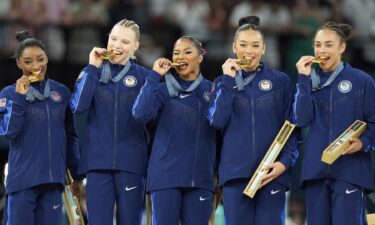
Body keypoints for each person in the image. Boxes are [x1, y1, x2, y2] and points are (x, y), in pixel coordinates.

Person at [207, 16, 298, 225]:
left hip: (271, 174)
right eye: (243, 45)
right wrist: (228, 81)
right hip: (234, 175)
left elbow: (292, 128)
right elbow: (216, 121)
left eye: (255, 45)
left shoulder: (280, 81)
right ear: (233, 47)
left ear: (264, 48)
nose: (249, 51)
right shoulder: (221, 83)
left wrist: (284, 163)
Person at [293, 21, 375, 225]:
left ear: (342, 47)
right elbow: (302, 120)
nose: (322, 50)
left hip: (350, 169)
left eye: (328, 45)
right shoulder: (308, 81)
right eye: (318, 45)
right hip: (315, 170)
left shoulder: (361, 80)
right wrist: (303, 79)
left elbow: (373, 122)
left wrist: (363, 142)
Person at [70, 19, 150, 225]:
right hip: (98, 164)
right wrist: (91, 68)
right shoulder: (91, 73)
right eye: (113, 39)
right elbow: (78, 107)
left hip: (131, 164)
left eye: (125, 41)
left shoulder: (145, 78)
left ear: (135, 47)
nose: (117, 45)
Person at [132, 36, 216, 225]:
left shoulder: (213, 90)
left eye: (187, 52)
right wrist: (154, 76)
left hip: (200, 178)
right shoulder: (162, 90)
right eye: (176, 53)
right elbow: (139, 114)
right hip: (165, 177)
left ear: (200, 57)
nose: (181, 56)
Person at [0, 30, 80, 225]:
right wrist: (20, 98)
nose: (36, 66)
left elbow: (70, 135)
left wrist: (76, 174)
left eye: (40, 59)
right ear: (19, 63)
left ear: (47, 59)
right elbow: (9, 132)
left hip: (53, 181)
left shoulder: (60, 92)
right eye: (28, 62)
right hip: (22, 182)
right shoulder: (9, 93)